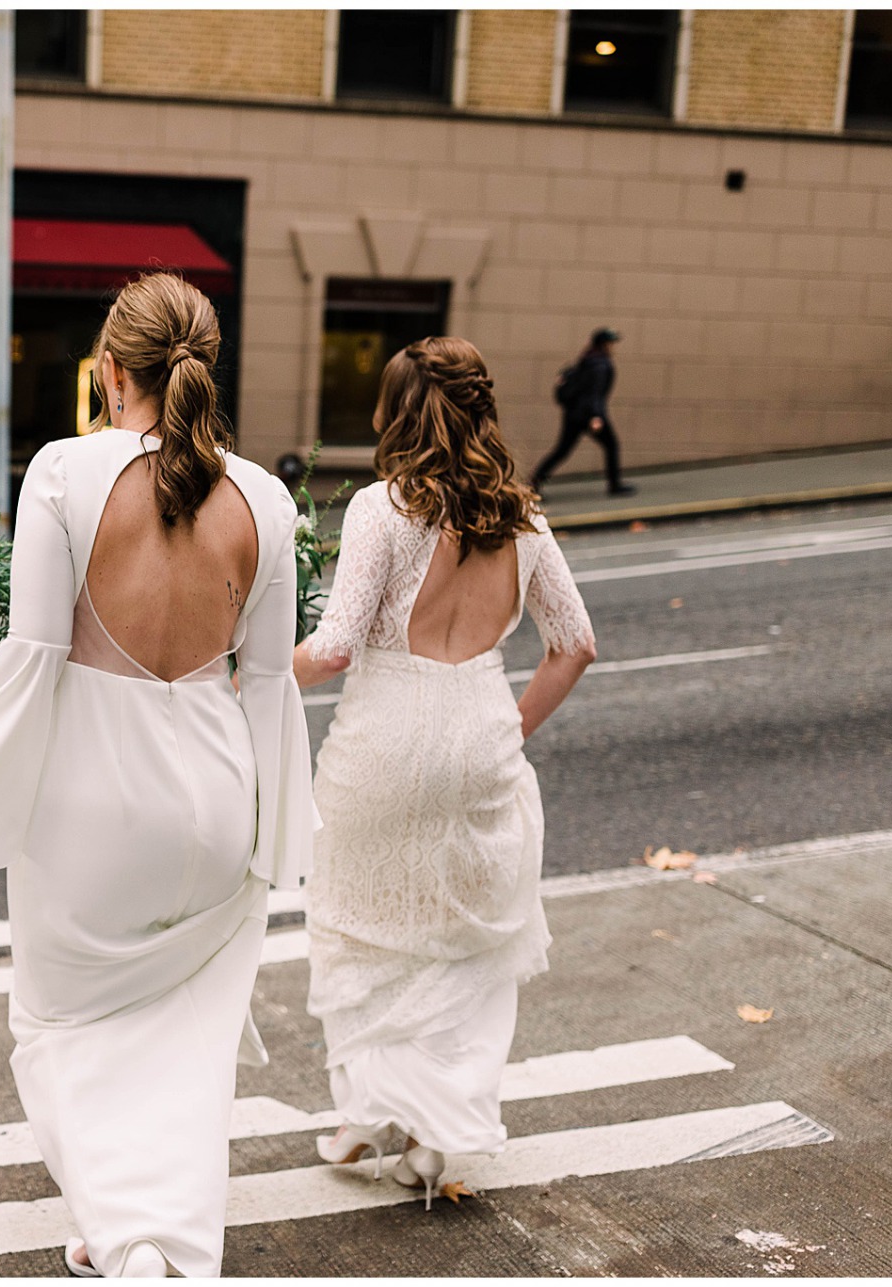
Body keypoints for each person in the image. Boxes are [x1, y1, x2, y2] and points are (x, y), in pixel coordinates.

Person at [0, 273, 315, 1277]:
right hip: (216, 797)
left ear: (109, 371)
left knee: (61, 1026)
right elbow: (269, 688)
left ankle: (136, 1244)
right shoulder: (269, 498)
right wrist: (275, 832)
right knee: (186, 1042)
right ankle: (150, 1235)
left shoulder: (64, 474)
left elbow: (32, 656)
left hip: (92, 807)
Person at [293, 337, 595, 1209]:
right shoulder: (523, 518)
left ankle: (362, 1113)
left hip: (384, 743)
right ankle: (429, 1137)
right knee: (462, 940)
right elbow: (575, 645)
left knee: (362, 925)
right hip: (478, 734)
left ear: (395, 414)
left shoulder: (379, 511)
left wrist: (256, 668)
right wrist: (510, 724)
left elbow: (340, 643)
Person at [532, 326, 634, 496]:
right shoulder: (601, 364)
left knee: (562, 450)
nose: (613, 346)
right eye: (611, 343)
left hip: (573, 414)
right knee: (611, 445)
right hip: (587, 414)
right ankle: (615, 485)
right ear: (604, 344)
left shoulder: (587, 359)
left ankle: (534, 483)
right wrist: (596, 416)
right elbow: (595, 393)